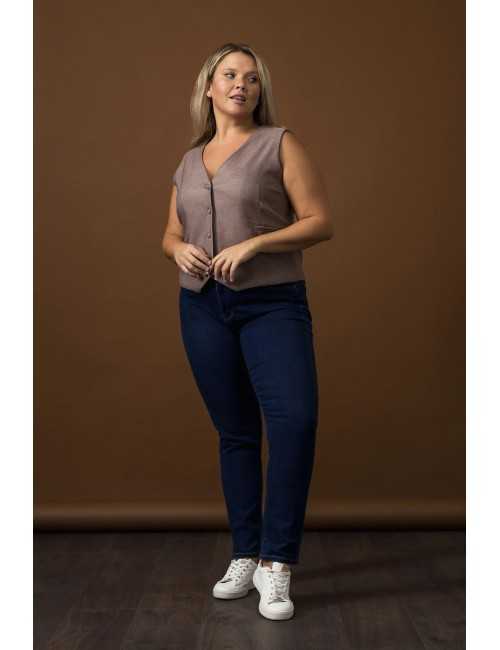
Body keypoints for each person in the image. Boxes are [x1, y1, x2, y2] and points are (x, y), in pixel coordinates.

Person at [162, 42, 334, 621]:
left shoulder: (279, 143)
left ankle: (276, 563)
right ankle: (245, 552)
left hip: (272, 305)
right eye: (230, 74)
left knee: (294, 421)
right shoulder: (189, 160)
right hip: (202, 307)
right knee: (235, 432)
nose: (242, 84)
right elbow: (169, 233)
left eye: (252, 78)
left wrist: (256, 243)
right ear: (209, 87)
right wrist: (178, 250)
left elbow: (320, 221)